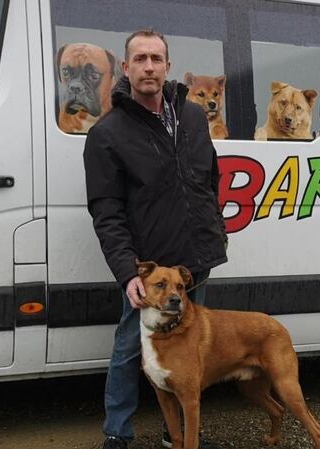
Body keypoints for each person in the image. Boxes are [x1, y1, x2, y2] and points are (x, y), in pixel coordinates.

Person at [83, 29, 228, 449]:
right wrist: (129, 271)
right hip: (150, 269)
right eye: (140, 59)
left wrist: (214, 227)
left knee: (190, 353)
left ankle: (176, 434)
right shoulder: (108, 133)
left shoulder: (194, 115)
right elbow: (106, 212)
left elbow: (208, 178)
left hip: (195, 262)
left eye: (156, 58)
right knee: (131, 350)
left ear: (167, 66)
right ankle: (117, 433)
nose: (149, 66)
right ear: (125, 69)